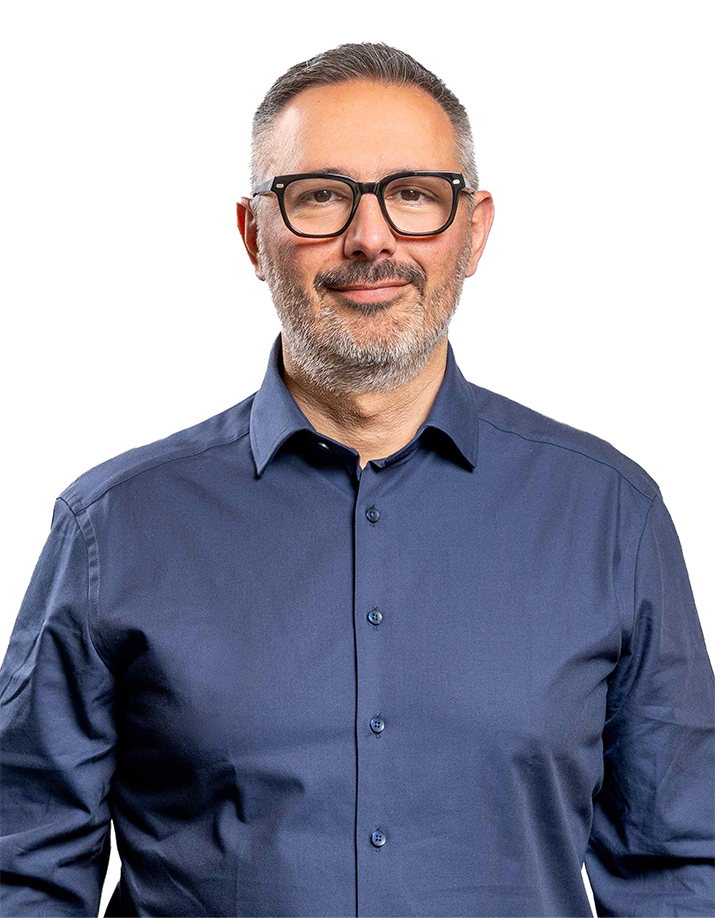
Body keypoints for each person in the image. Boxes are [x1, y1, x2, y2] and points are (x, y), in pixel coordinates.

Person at [0, 41, 713, 918]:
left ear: (473, 231)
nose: (369, 238)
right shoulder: (112, 528)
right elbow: (24, 873)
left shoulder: (610, 517)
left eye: (413, 194)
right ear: (252, 236)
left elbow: (678, 871)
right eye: (320, 196)